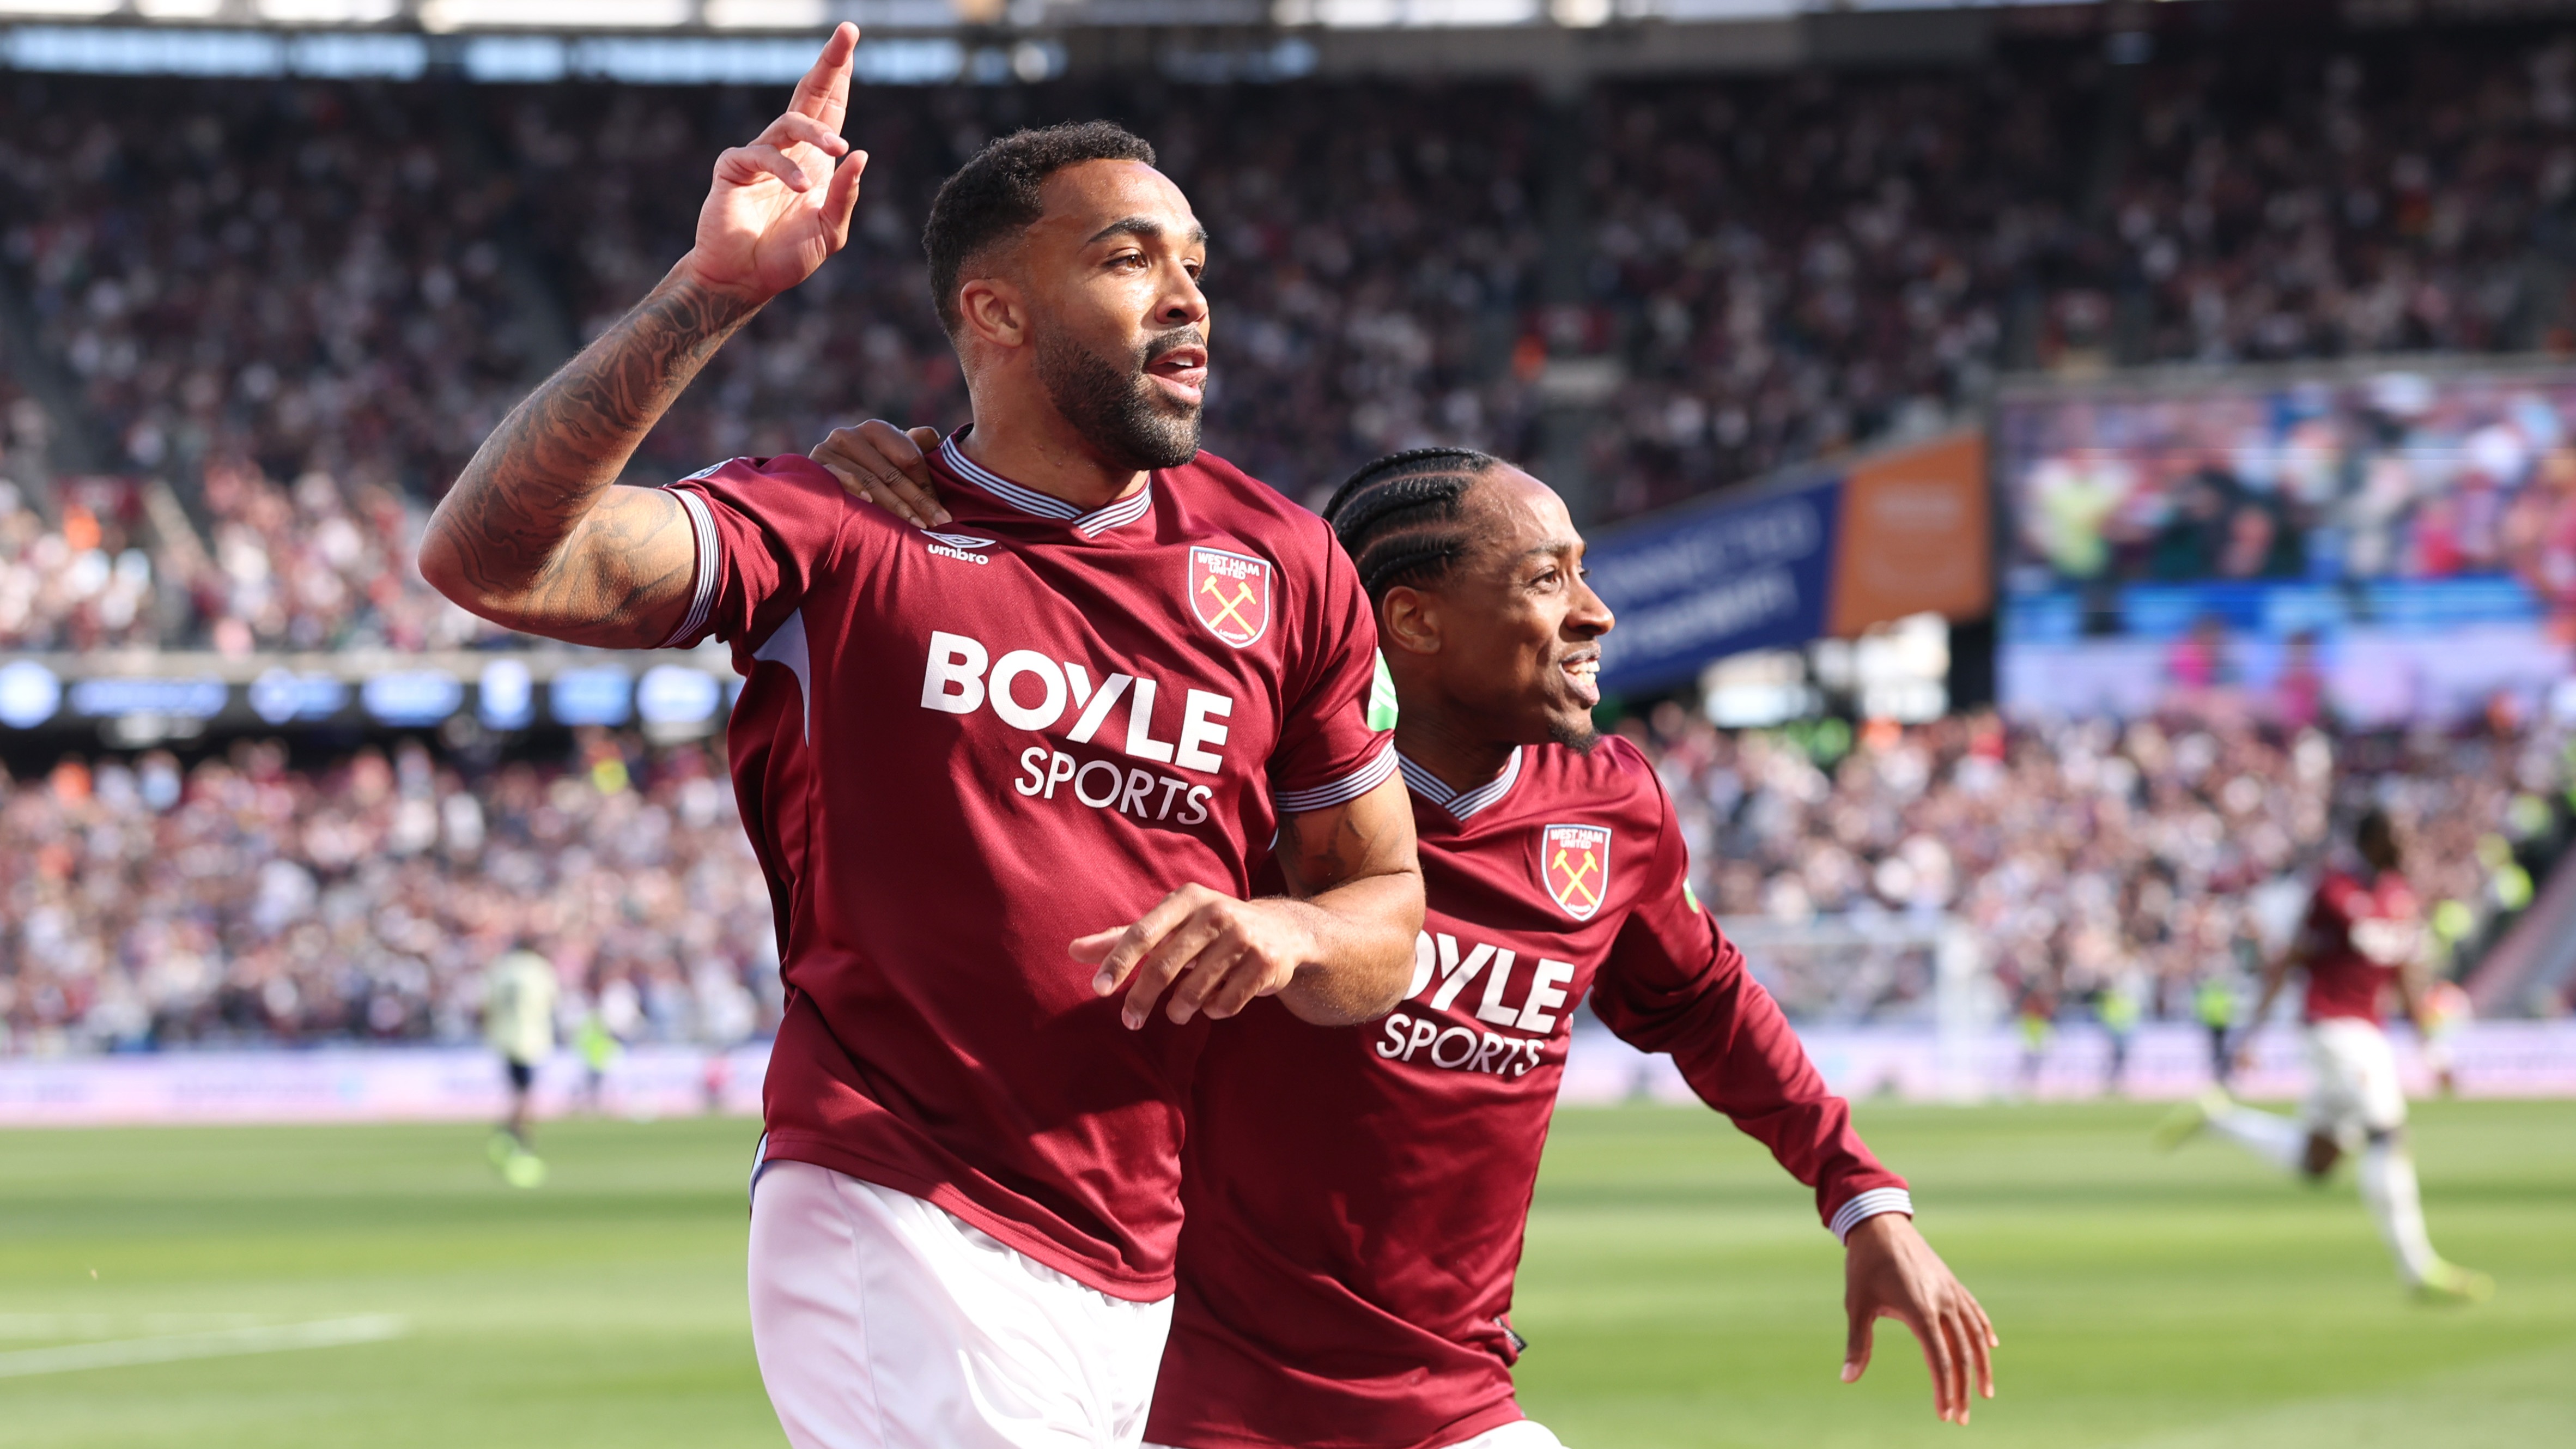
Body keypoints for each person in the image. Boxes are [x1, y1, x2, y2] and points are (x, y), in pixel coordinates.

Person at [420, 28, 1426, 1449]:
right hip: (897, 1201)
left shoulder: (1287, 564)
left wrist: (1295, 939)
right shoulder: (838, 526)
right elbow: (492, 560)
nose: (1191, 301)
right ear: (998, 314)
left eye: (1195, 260)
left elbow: (1387, 913)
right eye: (1132, 260)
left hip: (1147, 1248)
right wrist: (711, 292)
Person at [814, 432, 1998, 1444]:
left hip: (1453, 1409)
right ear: (1412, 623)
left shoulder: (1612, 804)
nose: (1597, 611)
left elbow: (1703, 1004)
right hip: (1187, 1407)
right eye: (1546, 577)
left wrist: (1863, 1200)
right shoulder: (1233, 788)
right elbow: (1037, 635)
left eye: (1583, 571)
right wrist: (923, 485)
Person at [2153, 808, 2491, 1302]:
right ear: (2372, 839)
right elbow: (2291, 960)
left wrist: (2433, 1050)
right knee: (2388, 1135)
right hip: (2333, 1028)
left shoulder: (2399, 898)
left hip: (2369, 1032)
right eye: (2397, 833)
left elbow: (2406, 978)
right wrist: (2252, 1034)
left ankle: (2219, 1121)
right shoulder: (2335, 894)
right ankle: (2418, 1269)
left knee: (2318, 1161)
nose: (2406, 842)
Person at [481, 938, 557, 1187]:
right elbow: (551, 1002)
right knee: (526, 1094)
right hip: (531, 1039)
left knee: (516, 1091)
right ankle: (519, 1141)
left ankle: (510, 1136)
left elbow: (486, 1004)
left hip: (504, 1037)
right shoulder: (539, 969)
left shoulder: (501, 968)